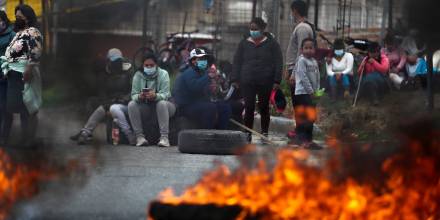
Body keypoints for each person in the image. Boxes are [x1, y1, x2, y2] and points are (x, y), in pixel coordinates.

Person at [231, 17, 282, 141]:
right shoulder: (244, 43)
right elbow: (237, 61)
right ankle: (247, 134)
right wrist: (235, 79)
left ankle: (264, 133)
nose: (253, 31)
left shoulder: (272, 43)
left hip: (265, 81)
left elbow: (278, 61)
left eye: (256, 29)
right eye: (251, 29)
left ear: (263, 29)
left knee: (264, 107)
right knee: (249, 107)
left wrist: (277, 80)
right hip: (247, 80)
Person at [70, 48, 133, 145]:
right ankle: (86, 132)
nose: (117, 63)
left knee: (102, 108)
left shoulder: (128, 72)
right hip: (109, 101)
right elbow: (102, 93)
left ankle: (85, 132)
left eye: (118, 60)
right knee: (92, 102)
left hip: (124, 101)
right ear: (109, 61)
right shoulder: (104, 73)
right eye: (114, 61)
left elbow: (133, 90)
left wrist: (124, 98)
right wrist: (107, 103)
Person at [1, 5, 42, 146]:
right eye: (16, 17)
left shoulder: (32, 32)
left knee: (28, 107)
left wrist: (29, 68)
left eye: (20, 17)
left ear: (28, 18)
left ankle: (29, 139)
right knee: (16, 106)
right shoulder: (18, 33)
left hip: (26, 73)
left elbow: (36, 52)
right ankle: (23, 137)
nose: (17, 19)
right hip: (13, 75)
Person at [173, 48, 231, 130]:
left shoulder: (203, 73)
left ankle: (221, 132)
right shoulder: (189, 72)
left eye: (204, 59)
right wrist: (208, 77)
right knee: (209, 108)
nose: (203, 61)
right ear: (193, 61)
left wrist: (213, 89)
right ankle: (205, 134)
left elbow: (205, 92)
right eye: (200, 59)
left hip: (199, 103)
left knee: (224, 107)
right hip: (186, 106)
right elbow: (194, 87)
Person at [127, 53, 175, 147]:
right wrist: (140, 96)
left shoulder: (163, 74)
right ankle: (139, 137)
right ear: (142, 65)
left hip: (166, 106)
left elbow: (166, 94)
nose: (149, 67)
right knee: (131, 104)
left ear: (156, 65)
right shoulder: (138, 75)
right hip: (146, 106)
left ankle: (164, 138)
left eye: (151, 65)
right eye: (146, 65)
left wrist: (155, 96)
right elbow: (133, 95)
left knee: (161, 103)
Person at [285, 0, 315, 139]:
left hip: (299, 71)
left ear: (295, 10)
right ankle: (299, 131)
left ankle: (303, 133)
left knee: (301, 102)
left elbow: (302, 52)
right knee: (298, 102)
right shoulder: (301, 27)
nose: (291, 14)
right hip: (296, 69)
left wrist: (294, 74)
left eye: (292, 11)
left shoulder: (302, 28)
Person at [290, 38, 321, 149]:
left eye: (311, 48)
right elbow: (303, 77)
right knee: (305, 117)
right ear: (302, 49)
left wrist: (317, 91)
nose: (308, 50)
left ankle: (309, 140)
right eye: (306, 48)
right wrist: (311, 91)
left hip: (312, 94)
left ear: (314, 49)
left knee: (311, 117)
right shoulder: (302, 60)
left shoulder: (314, 62)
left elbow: (317, 78)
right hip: (303, 93)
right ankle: (302, 140)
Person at [0, 11, 15, 145]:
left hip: (7, 78)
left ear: (4, 21)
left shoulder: (12, 36)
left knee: (5, 108)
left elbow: (16, 56)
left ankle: (5, 136)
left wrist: (8, 71)